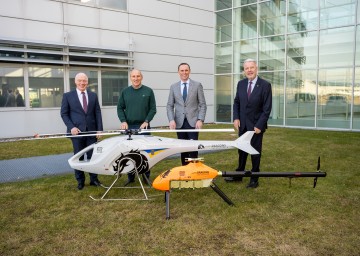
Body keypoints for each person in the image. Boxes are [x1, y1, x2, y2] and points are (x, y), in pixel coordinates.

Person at [224, 59, 272, 188]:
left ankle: (254, 178)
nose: (249, 70)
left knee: (255, 152)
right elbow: (237, 102)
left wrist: (260, 125)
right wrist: (236, 118)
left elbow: (267, 109)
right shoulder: (241, 84)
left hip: (256, 127)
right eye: (247, 68)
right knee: (242, 151)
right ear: (244, 70)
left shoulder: (265, 85)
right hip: (243, 125)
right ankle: (239, 174)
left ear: (256, 69)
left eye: (252, 67)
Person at [61, 73, 103, 190]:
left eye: (84, 81)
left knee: (92, 157)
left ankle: (94, 180)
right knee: (78, 157)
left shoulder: (93, 95)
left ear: (87, 82)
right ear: (75, 82)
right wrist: (71, 127)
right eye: (79, 80)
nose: (82, 83)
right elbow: (64, 114)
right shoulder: (68, 96)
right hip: (76, 132)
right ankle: (80, 181)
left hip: (91, 132)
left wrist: (99, 129)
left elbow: (98, 113)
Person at [117, 69, 157, 186]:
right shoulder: (125, 92)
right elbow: (120, 108)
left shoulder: (148, 91)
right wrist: (123, 121)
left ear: (141, 77)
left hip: (143, 126)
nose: (136, 78)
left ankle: (146, 177)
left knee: (145, 153)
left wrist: (146, 121)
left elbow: (153, 109)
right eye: (133, 76)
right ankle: (130, 177)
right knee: (129, 153)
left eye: (138, 76)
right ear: (130, 78)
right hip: (129, 127)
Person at [166, 63, 207, 166]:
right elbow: (169, 105)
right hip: (179, 123)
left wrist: (200, 119)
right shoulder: (173, 87)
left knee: (193, 149)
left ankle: (194, 170)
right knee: (183, 149)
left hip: (193, 122)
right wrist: (171, 119)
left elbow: (203, 104)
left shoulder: (197, 85)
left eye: (186, 70)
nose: (184, 72)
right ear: (178, 72)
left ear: (189, 71)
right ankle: (185, 171)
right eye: (182, 70)